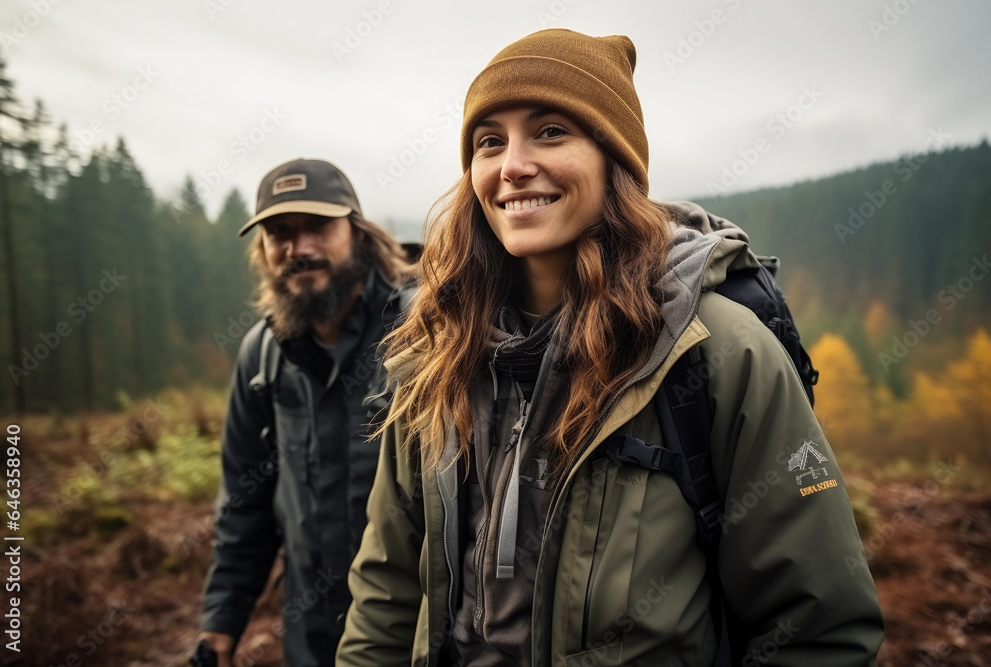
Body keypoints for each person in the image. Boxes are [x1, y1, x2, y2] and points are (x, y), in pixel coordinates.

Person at [336, 29, 885, 666]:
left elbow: (819, 628)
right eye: (490, 142)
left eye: (549, 132)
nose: (512, 165)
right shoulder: (436, 359)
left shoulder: (716, 355)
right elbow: (387, 594)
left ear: (614, 161)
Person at [198, 158, 414, 667]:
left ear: (358, 234)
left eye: (318, 226)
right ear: (263, 250)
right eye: (279, 233)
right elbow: (245, 506)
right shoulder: (261, 356)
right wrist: (221, 625)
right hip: (310, 637)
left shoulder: (421, 334)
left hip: (410, 634)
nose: (300, 249)